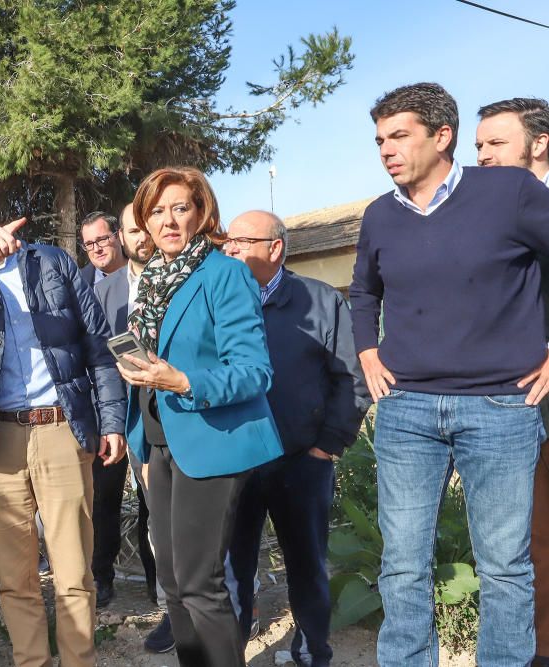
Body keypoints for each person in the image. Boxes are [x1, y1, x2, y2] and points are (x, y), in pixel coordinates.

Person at [350, 82, 549, 667]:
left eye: (399, 136)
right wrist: (367, 350)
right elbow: (364, 290)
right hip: (407, 409)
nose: (386, 149)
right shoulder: (380, 215)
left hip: (501, 408)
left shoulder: (510, 191)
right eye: (380, 139)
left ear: (443, 137)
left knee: (504, 566)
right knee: (403, 565)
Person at [0, 172, 127, 667]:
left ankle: (80, 660)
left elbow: (98, 347)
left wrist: (112, 421)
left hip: (62, 428)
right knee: (16, 577)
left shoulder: (53, 262)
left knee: (74, 569)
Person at [117, 166, 283, 667]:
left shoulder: (224, 273)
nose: (167, 221)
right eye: (156, 211)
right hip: (160, 440)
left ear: (201, 212)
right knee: (171, 580)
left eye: (179, 208)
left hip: (212, 440)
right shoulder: (152, 281)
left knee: (199, 582)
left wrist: (184, 382)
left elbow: (255, 371)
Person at [225, 210, 370, 667]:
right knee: (231, 573)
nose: (230, 249)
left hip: (300, 462)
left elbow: (352, 378)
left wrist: (326, 445)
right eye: (227, 241)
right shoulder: (220, 303)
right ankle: (229, 654)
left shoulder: (321, 301)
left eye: (241, 241)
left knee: (307, 570)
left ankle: (310, 654)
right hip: (235, 462)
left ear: (275, 247)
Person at [475, 96, 549, 666]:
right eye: (478, 147)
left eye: (495, 144)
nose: (483, 156)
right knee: (530, 539)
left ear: (539, 144)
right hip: (515, 401)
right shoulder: (486, 214)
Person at [91, 204, 158, 615]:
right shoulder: (102, 289)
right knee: (104, 500)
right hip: (114, 412)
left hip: (160, 410)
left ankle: (159, 587)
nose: (142, 238)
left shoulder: (178, 279)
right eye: (134, 230)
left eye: (144, 229)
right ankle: (102, 577)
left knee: (156, 505)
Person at [79, 210, 126, 286]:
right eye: (89, 244)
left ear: (119, 236)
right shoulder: (76, 284)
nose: (96, 249)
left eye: (102, 240)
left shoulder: (143, 272)